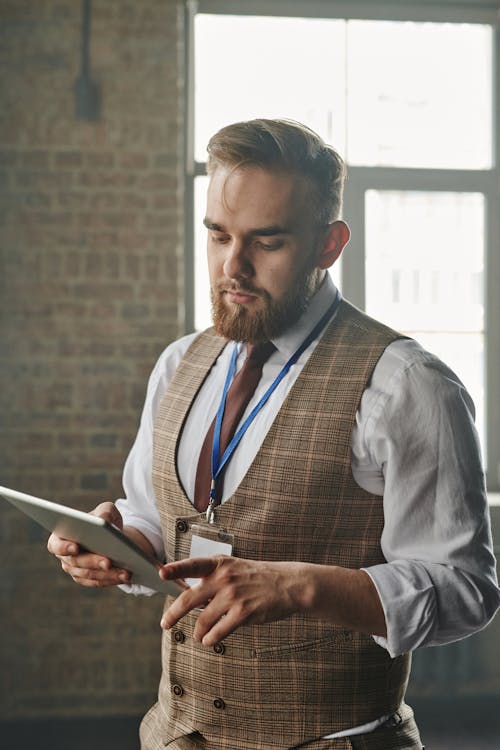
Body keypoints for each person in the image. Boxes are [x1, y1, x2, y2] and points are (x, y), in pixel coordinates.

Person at [48, 119, 499, 750]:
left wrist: (299, 585)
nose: (233, 267)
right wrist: (117, 545)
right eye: (217, 235)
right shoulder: (180, 363)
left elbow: (466, 590)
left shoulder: (407, 384)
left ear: (329, 245)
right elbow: (155, 520)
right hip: (171, 734)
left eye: (268, 241)